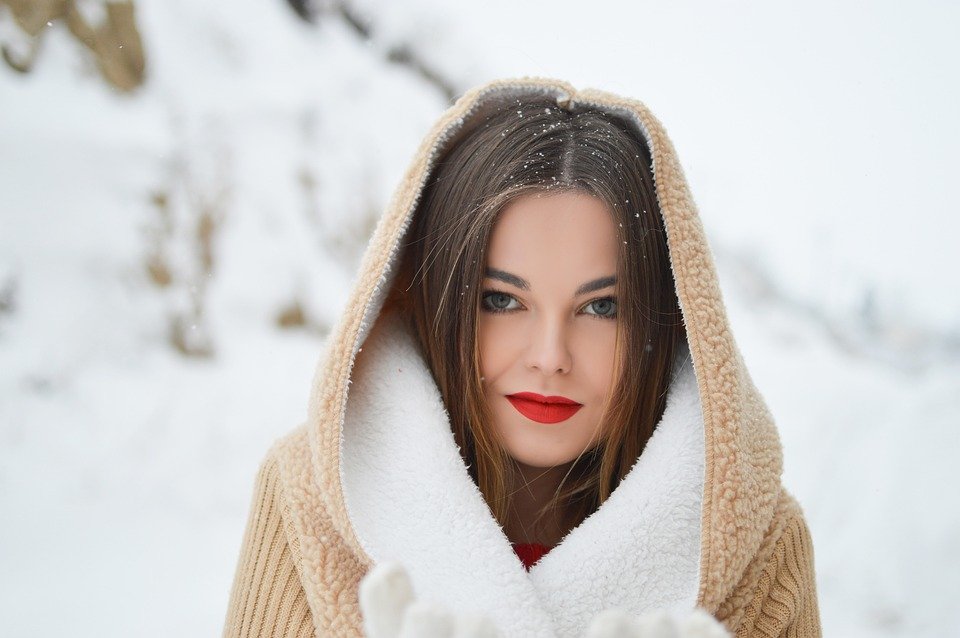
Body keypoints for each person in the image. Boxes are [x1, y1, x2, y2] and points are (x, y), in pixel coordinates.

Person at [222, 77, 821, 638]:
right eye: (502, 300)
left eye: (603, 308)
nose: (549, 357)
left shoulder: (761, 549)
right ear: (438, 298)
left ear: (665, 320)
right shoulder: (312, 501)